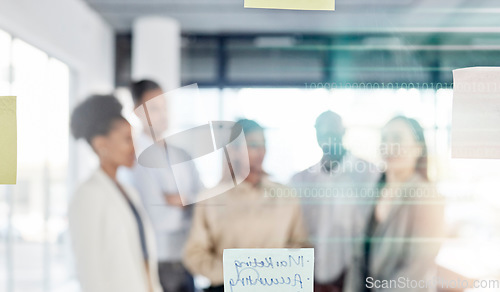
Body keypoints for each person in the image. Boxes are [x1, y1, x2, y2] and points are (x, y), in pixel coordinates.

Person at [183, 119, 309, 292]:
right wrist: (234, 273)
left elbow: (301, 245)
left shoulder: (286, 196)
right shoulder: (211, 199)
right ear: (233, 151)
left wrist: (273, 271)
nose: (261, 151)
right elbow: (194, 254)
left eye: (264, 144)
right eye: (253, 145)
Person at [68, 95, 162, 292]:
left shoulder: (128, 192)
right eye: (127, 140)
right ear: (101, 144)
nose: (134, 149)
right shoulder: (88, 195)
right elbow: (90, 272)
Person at [118, 79, 202, 292]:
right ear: (137, 112)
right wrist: (187, 199)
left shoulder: (181, 155)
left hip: (186, 257)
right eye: (154, 108)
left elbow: (203, 198)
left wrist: (181, 199)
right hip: (153, 259)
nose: (163, 114)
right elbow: (154, 211)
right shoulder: (131, 159)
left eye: (165, 107)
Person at [344, 116, 445, 292]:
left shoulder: (428, 196)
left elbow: (417, 268)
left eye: (397, 139)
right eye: (385, 139)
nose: (390, 146)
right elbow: (357, 257)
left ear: (418, 149)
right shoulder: (372, 191)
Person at [290, 111, 379, 292]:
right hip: (311, 279)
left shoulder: (370, 175)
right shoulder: (301, 181)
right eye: (322, 135)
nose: (327, 140)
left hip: (356, 276)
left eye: (332, 133)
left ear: (343, 132)